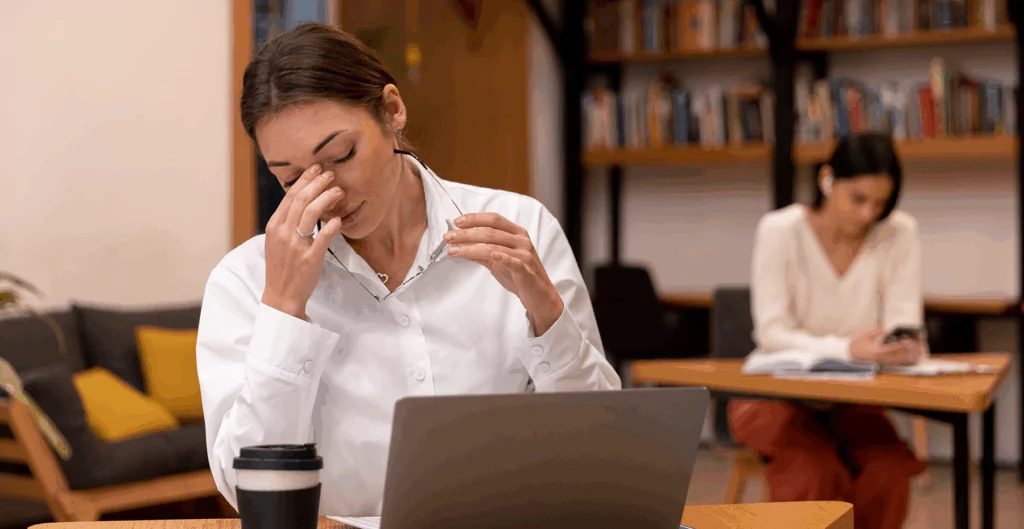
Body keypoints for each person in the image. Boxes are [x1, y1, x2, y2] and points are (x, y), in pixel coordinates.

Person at [196, 23, 621, 516]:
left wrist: (548, 317)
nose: (328, 193)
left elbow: (604, 446)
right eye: (291, 178)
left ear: (392, 109)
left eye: (342, 155)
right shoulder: (245, 280)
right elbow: (242, 485)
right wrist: (284, 311)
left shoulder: (521, 229)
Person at [729, 132, 928, 529]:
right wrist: (849, 349)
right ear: (827, 180)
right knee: (812, 472)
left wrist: (900, 347)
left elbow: (904, 322)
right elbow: (772, 333)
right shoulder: (780, 230)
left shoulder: (899, 232)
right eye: (858, 199)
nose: (868, 214)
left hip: (854, 397)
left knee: (887, 473)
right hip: (775, 394)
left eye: (881, 203)